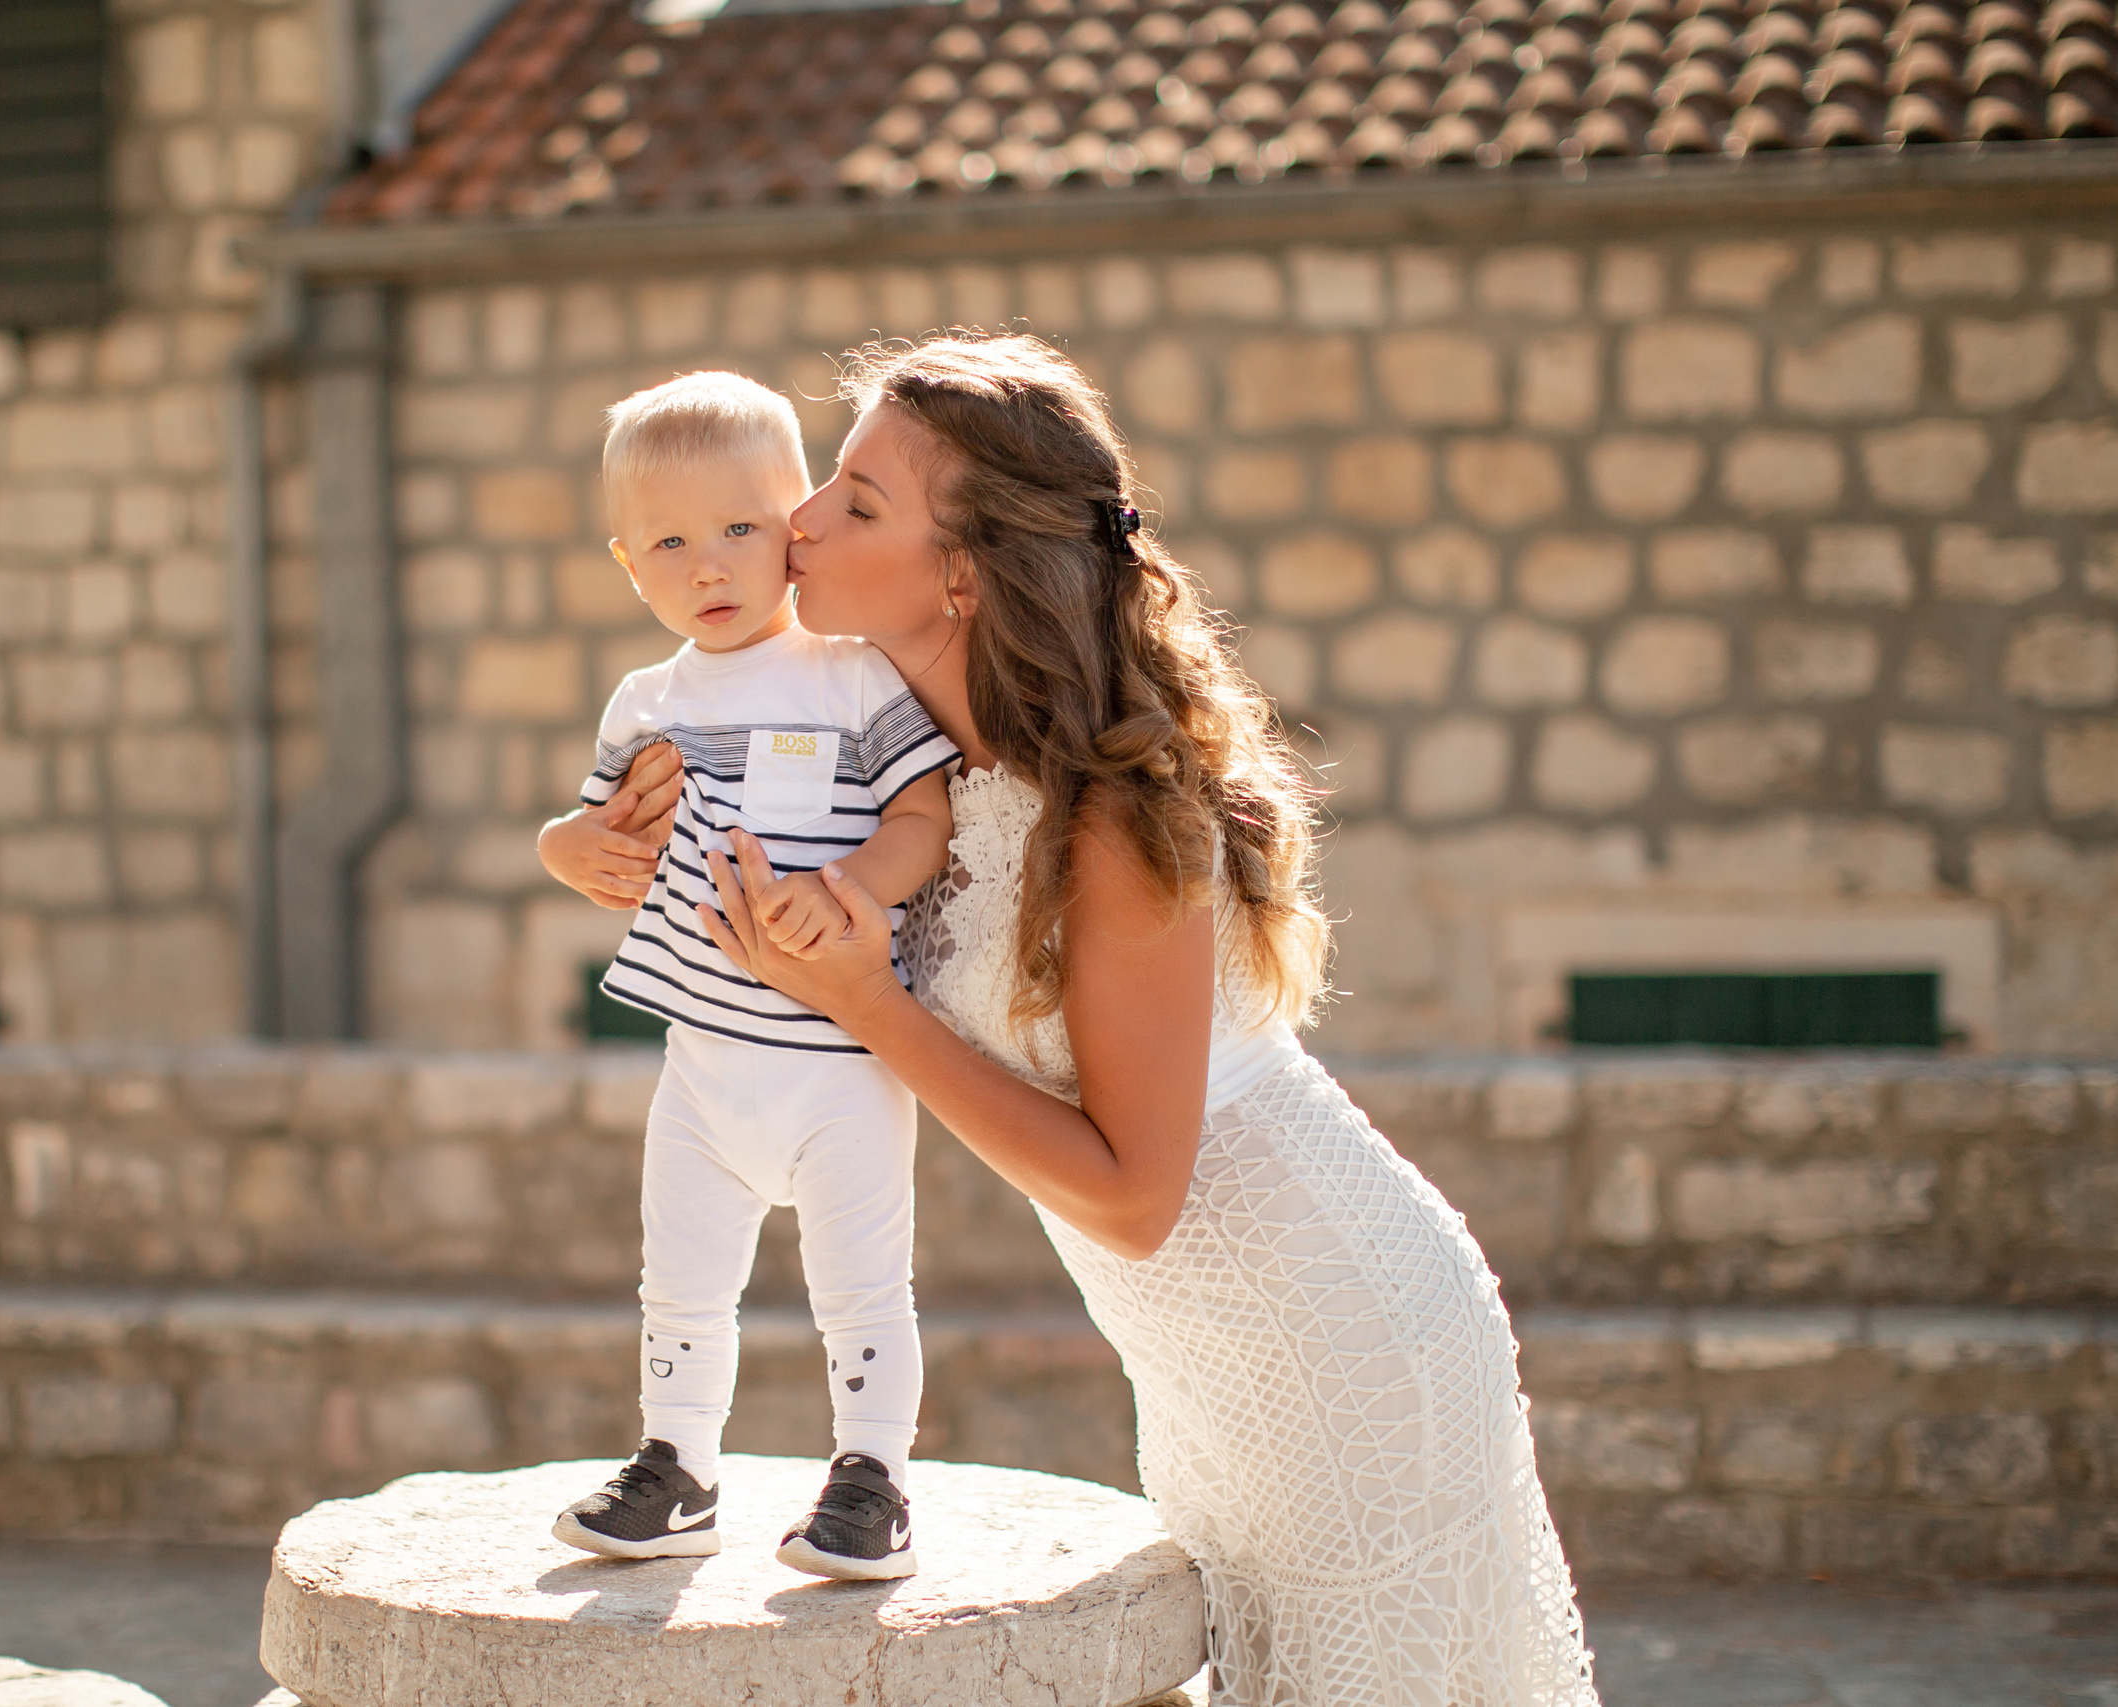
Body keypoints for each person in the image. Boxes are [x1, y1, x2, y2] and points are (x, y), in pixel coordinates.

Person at [678, 336, 1600, 1703]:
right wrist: (597, 846)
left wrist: (869, 1003)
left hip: (1343, 1348)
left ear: (964, 574)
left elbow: (1136, 1195)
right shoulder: (915, 775)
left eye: (857, 501)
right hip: (1208, 1385)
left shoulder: (1109, 817)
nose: (801, 521)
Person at [535, 371, 958, 1580]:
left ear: (797, 527)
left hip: (840, 1064)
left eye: (738, 529)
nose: (708, 566)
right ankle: (678, 1468)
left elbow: (922, 816)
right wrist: (570, 848)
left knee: (864, 1286)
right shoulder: (647, 701)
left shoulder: (851, 674)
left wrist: (855, 887)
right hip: (704, 1065)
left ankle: (872, 1478)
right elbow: (584, 830)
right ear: (629, 566)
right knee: (679, 1283)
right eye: (670, 542)